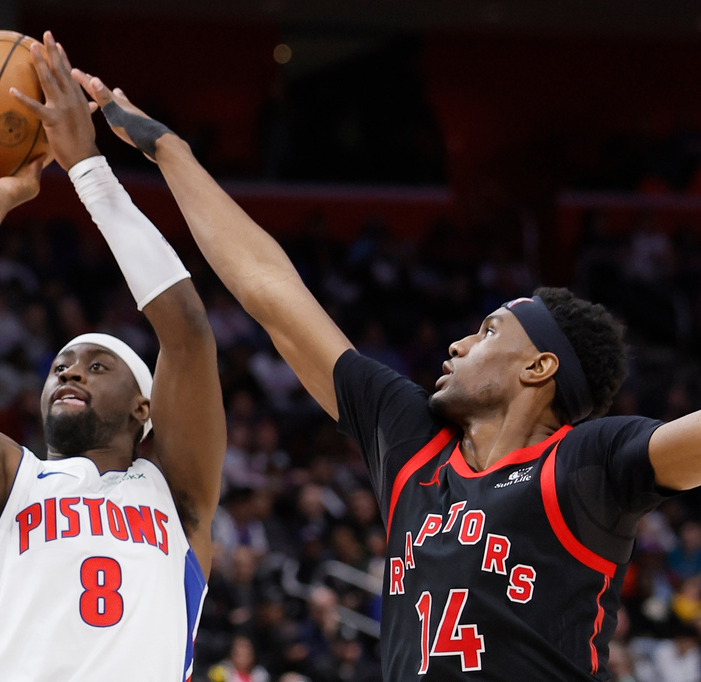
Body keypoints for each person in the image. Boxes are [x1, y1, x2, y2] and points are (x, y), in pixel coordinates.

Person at [71, 69, 701, 680]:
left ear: (539, 367)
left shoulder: (588, 462)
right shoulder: (410, 437)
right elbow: (271, 292)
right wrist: (168, 149)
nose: (455, 344)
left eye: (486, 332)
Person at [0, 31, 224, 681]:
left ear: (143, 407)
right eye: (61, 365)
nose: (69, 370)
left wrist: (88, 170)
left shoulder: (177, 495)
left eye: (98, 365)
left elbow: (186, 329)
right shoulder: (2, 483)